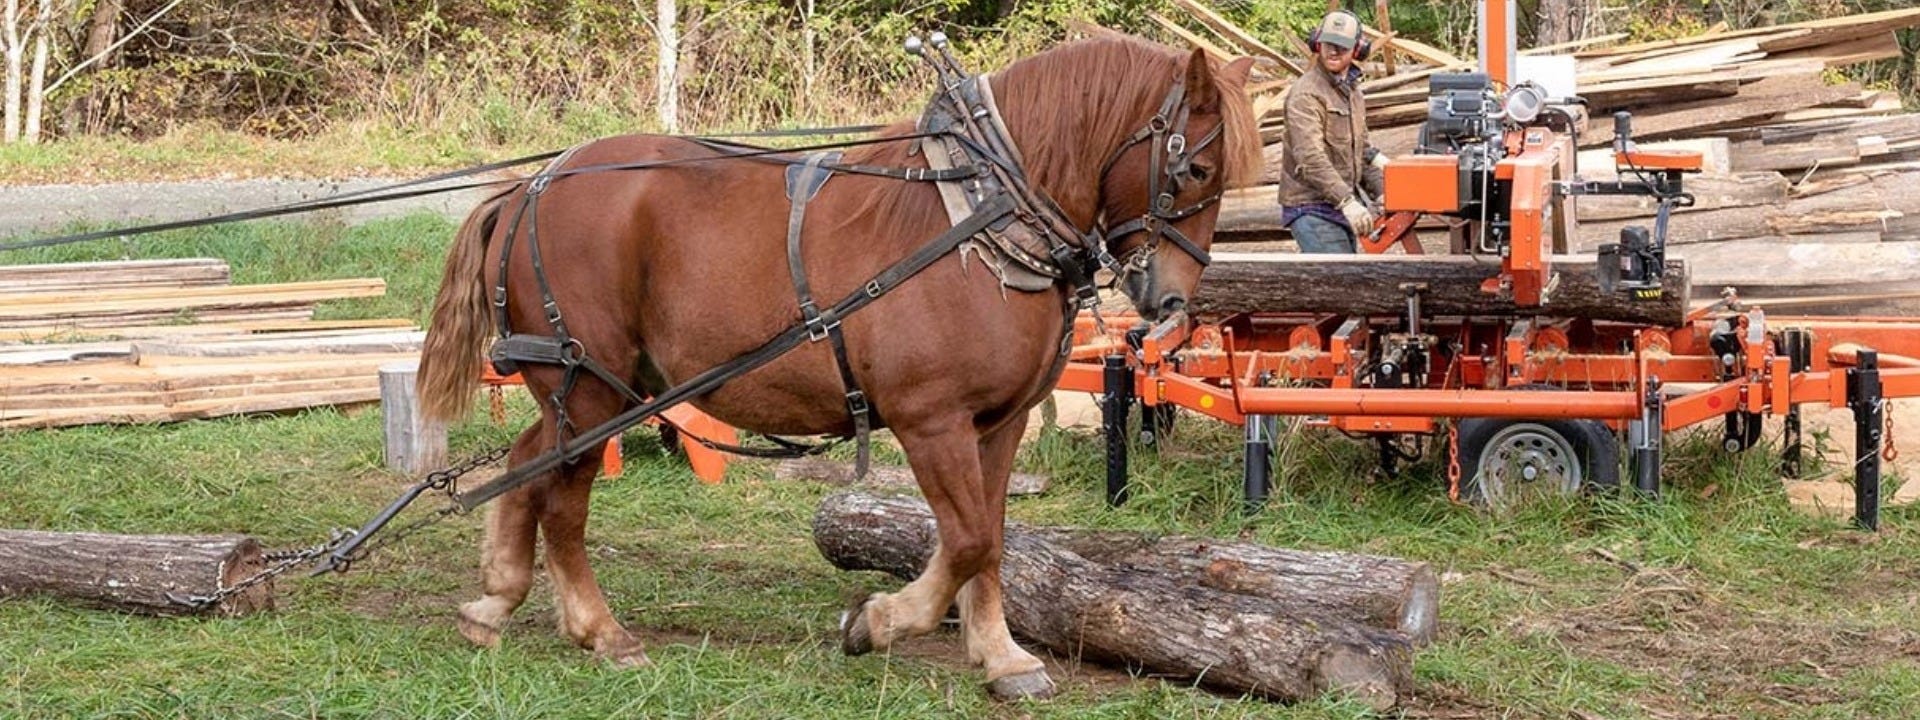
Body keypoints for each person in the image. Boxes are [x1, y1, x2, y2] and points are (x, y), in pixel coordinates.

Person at [1279, 9, 1389, 254]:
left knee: (1346, 280)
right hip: (1312, 207)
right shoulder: (1306, 94)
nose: (1333, 51)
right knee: (1342, 285)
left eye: (1341, 45)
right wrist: (1346, 201)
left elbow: (1363, 152)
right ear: (1317, 43)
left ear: (1357, 49)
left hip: (1338, 207)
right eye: (1329, 44)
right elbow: (1310, 158)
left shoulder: (1352, 93)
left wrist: (1386, 192)